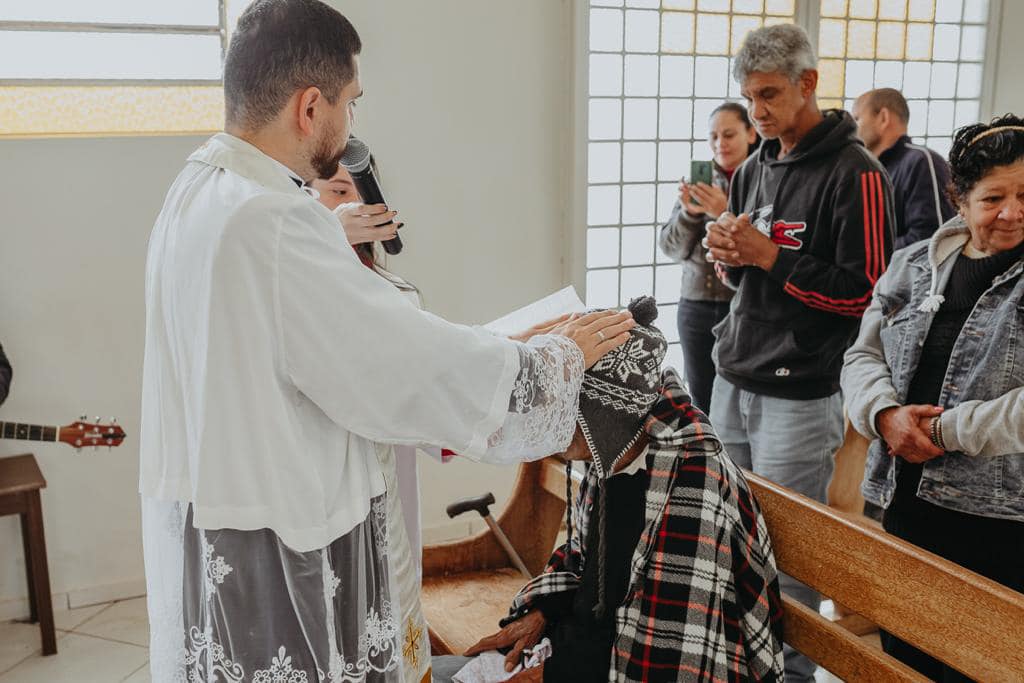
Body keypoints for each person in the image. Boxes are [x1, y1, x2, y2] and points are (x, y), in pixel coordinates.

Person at [138, 2, 635, 681]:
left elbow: (351, 337)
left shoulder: (199, 189)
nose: (350, 124)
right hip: (284, 531)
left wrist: (512, 349)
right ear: (310, 107)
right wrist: (555, 358)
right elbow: (400, 364)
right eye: (350, 102)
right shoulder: (276, 220)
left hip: (225, 515)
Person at [433, 297, 784, 683]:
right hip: (586, 654)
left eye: (561, 410)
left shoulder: (691, 481)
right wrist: (542, 611)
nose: (548, 426)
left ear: (604, 417)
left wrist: (548, 674)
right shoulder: (618, 450)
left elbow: (668, 647)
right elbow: (587, 565)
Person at [702, 24, 895, 683]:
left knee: (787, 550)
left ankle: (792, 672)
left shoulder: (858, 174)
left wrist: (769, 256)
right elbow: (746, 276)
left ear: (807, 83)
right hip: (734, 373)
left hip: (802, 388)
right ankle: (737, 661)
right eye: (748, 97)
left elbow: (868, 293)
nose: (756, 111)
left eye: (768, 95)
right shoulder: (755, 166)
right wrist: (730, 256)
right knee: (731, 533)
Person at [841, 114, 1024, 681]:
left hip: (1002, 517)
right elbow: (862, 356)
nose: (1013, 212)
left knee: (987, 664)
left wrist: (944, 431)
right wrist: (885, 415)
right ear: (959, 200)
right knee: (907, 655)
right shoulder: (914, 264)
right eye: (993, 198)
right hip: (906, 498)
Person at [312, 163, 434, 681]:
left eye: (357, 189)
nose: (348, 202)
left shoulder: (391, 288)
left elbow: (421, 374)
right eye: (334, 189)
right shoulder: (296, 277)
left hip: (384, 465)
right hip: (320, 476)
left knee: (391, 588)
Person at [658, 102, 758, 412]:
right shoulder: (700, 182)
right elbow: (670, 248)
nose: (719, 143)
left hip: (745, 307)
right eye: (713, 136)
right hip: (695, 305)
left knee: (740, 403)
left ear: (751, 134)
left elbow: (764, 246)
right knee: (700, 400)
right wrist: (689, 213)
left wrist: (723, 210)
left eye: (729, 134)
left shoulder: (764, 178)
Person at [853, 88, 957, 249]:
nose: (852, 128)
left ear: (883, 118)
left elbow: (931, 239)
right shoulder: (871, 169)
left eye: (857, 118)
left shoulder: (921, 162)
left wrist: (865, 251)